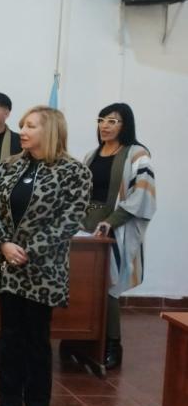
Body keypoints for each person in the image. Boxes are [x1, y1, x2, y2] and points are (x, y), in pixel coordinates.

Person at [0, 106, 91, 406]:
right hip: (8, 266)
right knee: (10, 338)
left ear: (51, 130)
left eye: (30, 126)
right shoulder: (9, 166)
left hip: (43, 270)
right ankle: (9, 404)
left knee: (38, 340)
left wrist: (27, 250)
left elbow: (69, 220)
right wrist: (3, 244)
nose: (23, 132)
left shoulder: (74, 171)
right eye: (22, 126)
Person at [81, 103, 155, 370]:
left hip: (116, 229)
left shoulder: (137, 154)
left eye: (113, 121)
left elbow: (142, 196)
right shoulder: (91, 155)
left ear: (126, 125)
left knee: (109, 285)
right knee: (82, 282)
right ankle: (79, 340)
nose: (105, 125)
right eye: (102, 120)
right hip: (85, 227)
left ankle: (112, 344)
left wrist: (110, 222)